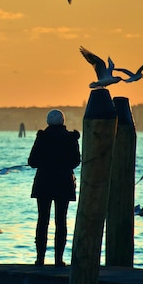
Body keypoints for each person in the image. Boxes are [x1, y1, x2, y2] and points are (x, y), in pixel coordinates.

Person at [28, 109, 81, 267]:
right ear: (63, 121)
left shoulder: (42, 137)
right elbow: (75, 161)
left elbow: (32, 161)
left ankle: (40, 259)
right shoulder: (71, 138)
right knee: (61, 222)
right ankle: (59, 260)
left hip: (44, 182)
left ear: (48, 122)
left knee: (42, 221)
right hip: (64, 183)